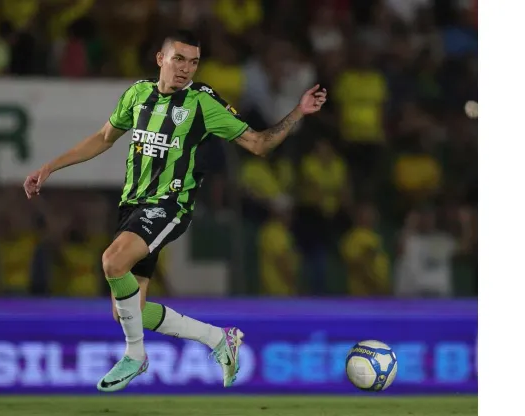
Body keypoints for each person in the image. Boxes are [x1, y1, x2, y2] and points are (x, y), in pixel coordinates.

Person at [23, 30, 327, 392]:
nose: (186, 69)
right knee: (126, 311)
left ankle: (135, 356)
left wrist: (298, 112)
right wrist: (50, 167)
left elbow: (259, 144)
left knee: (111, 262)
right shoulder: (137, 94)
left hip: (169, 206)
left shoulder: (202, 102)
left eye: (194, 62)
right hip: (132, 206)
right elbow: (104, 138)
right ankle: (218, 339)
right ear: (160, 59)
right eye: (179, 59)